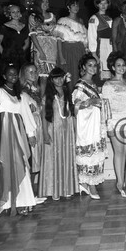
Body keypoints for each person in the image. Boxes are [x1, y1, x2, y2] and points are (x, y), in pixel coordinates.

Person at [0, 64, 37, 216]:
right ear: (4, 76)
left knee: (21, 163)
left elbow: (22, 113)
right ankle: (7, 202)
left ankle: (22, 201)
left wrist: (29, 133)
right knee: (6, 165)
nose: (13, 76)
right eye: (10, 74)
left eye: (15, 74)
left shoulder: (18, 94)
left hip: (17, 131)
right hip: (5, 133)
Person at [72, 54, 109, 200]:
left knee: (96, 154)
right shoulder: (81, 85)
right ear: (83, 67)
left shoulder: (93, 84)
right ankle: (90, 184)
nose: (93, 68)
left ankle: (87, 184)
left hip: (95, 122)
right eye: (90, 65)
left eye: (95, 65)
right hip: (86, 125)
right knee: (89, 154)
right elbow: (75, 106)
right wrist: (90, 102)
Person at [38, 67, 79, 200]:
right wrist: (45, 133)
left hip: (67, 132)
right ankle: (54, 190)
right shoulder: (48, 96)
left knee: (66, 158)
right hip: (53, 131)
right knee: (54, 159)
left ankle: (66, 188)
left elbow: (72, 115)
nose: (59, 80)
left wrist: (74, 130)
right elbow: (44, 116)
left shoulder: (68, 94)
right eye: (56, 78)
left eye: (61, 77)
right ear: (51, 80)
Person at [101, 51, 126, 194]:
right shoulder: (108, 85)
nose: (121, 68)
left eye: (123, 65)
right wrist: (108, 126)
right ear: (113, 67)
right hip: (116, 122)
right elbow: (106, 106)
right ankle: (120, 182)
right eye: (118, 65)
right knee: (119, 152)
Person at [19, 63, 44, 196]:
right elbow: (25, 113)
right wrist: (30, 133)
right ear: (24, 74)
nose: (33, 74)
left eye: (35, 71)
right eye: (30, 72)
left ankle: (32, 192)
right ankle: (28, 193)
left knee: (36, 160)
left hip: (38, 124)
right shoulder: (23, 92)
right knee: (31, 158)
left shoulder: (36, 89)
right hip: (31, 126)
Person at [55, 0, 89, 92]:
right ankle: (69, 98)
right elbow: (58, 39)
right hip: (68, 49)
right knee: (69, 74)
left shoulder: (81, 21)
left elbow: (84, 39)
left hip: (79, 50)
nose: (76, 7)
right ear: (68, 7)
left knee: (80, 73)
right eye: (73, 5)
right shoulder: (63, 20)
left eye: (77, 5)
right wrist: (61, 56)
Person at [28, 0, 59, 94]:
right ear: (39, 3)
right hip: (39, 47)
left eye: (47, 2)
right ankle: (40, 100)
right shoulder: (33, 17)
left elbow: (55, 33)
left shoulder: (53, 16)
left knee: (52, 76)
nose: (46, 4)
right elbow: (33, 35)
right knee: (42, 77)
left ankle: (50, 100)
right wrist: (40, 51)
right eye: (43, 2)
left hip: (52, 49)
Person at [0, 4, 30, 69]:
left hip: (21, 58)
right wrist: (5, 55)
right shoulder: (5, 26)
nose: (16, 14)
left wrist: (20, 53)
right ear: (9, 14)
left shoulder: (24, 27)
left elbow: (27, 43)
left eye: (18, 11)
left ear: (20, 13)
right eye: (13, 12)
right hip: (8, 58)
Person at [88, 0, 113, 81]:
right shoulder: (94, 18)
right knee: (100, 68)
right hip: (100, 47)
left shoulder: (110, 18)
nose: (103, 5)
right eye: (101, 3)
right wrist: (94, 53)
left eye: (105, 3)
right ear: (97, 5)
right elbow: (91, 36)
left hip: (110, 47)